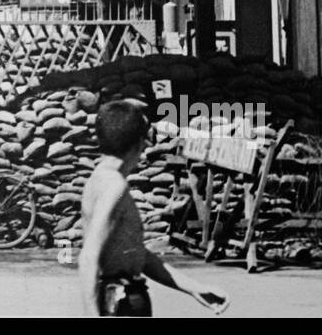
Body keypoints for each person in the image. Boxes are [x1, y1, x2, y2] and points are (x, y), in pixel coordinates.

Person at [78, 98, 231, 317]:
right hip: (121, 303)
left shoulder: (98, 181)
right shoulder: (115, 186)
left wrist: (195, 288)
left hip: (124, 298)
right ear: (139, 144)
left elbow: (136, 254)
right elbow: (88, 257)